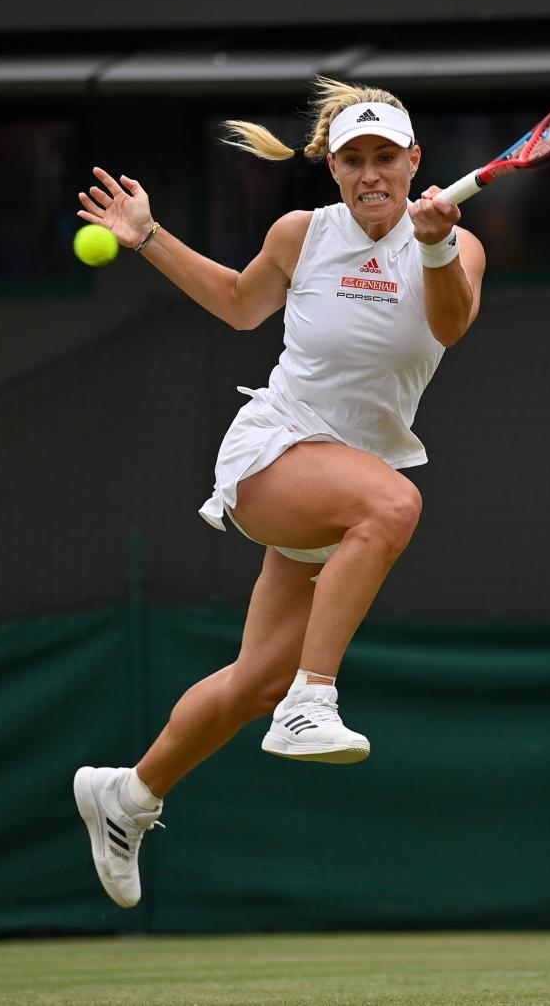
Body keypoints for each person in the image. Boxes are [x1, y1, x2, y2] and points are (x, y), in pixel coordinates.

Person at [72, 77, 486, 908]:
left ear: (414, 163)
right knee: (393, 505)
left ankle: (128, 795)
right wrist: (147, 235)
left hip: (343, 482)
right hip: (276, 452)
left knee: (254, 677)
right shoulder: (302, 235)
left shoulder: (457, 245)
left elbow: (449, 324)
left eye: (385, 158)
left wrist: (437, 245)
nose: (371, 174)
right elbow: (235, 304)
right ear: (334, 169)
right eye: (353, 160)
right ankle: (314, 700)